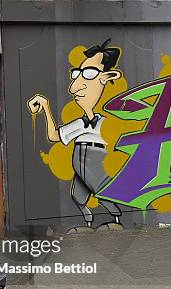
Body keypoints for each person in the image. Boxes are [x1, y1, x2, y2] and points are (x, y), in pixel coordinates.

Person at [27, 39, 123, 229]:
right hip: (79, 160)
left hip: (97, 159)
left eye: (88, 74)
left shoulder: (108, 121)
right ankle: (88, 224)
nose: (74, 87)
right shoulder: (80, 123)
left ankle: (115, 221)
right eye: (77, 74)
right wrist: (45, 107)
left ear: (107, 77)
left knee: (101, 190)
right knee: (78, 196)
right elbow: (54, 136)